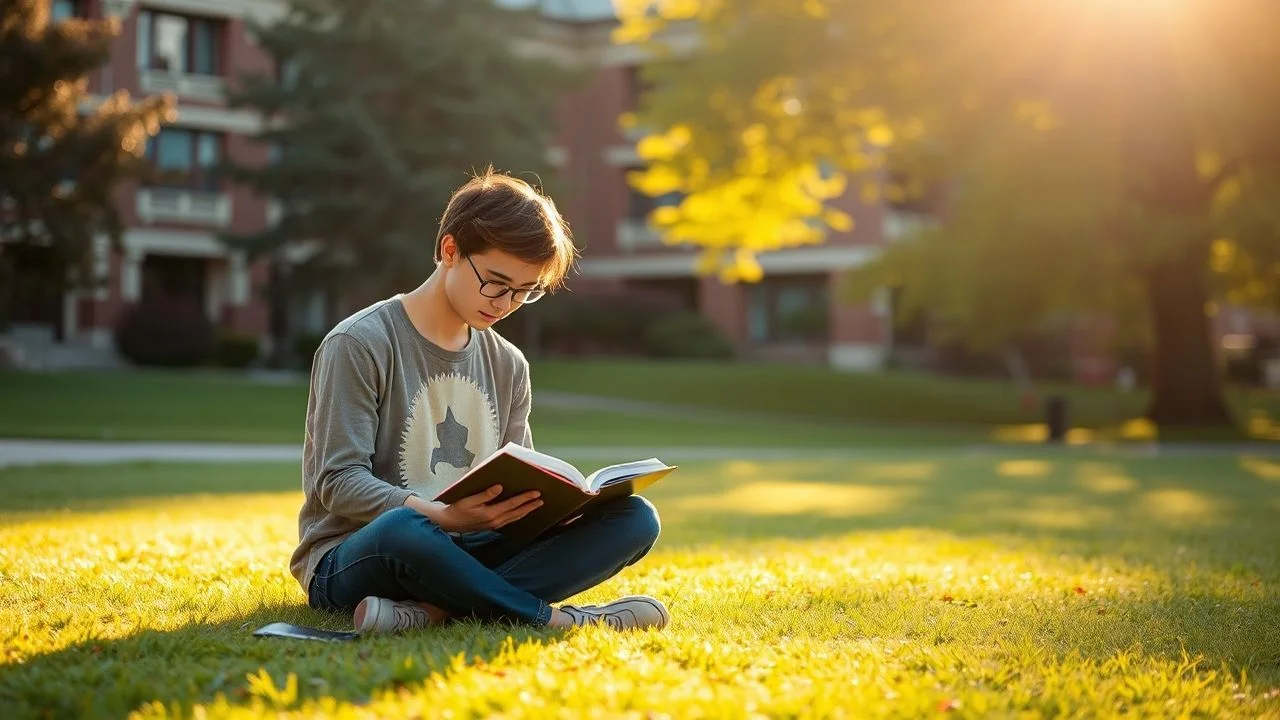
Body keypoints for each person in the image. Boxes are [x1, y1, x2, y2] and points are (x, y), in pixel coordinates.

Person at [288, 168, 669, 634]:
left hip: (471, 548)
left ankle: (434, 612)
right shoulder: (359, 343)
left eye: (525, 292)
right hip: (360, 553)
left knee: (636, 519)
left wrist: (557, 508)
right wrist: (443, 517)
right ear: (450, 250)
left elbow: (518, 478)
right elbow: (337, 482)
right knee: (405, 529)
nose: (505, 303)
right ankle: (553, 619)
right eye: (496, 282)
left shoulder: (509, 364)